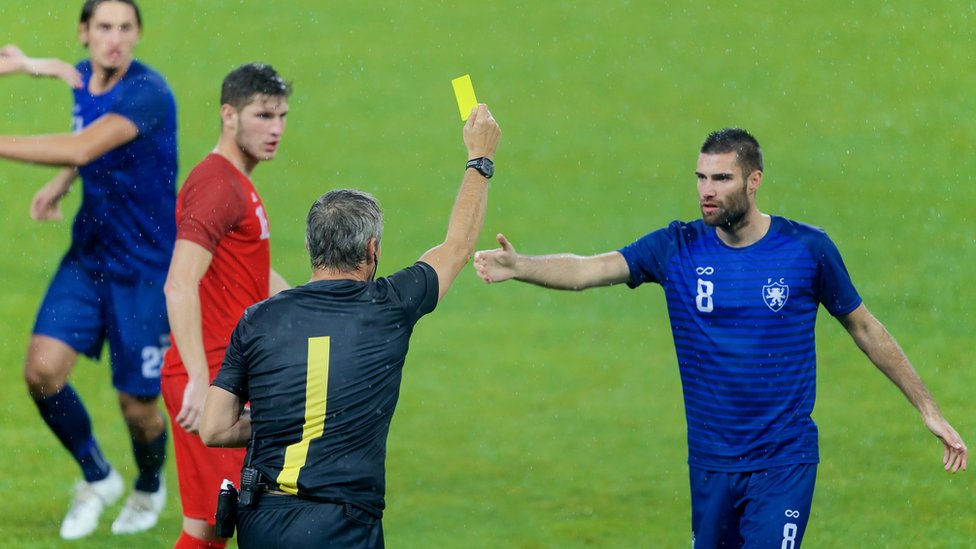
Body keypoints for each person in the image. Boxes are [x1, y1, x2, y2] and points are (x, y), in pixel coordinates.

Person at [472, 128, 968, 548]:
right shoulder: (676, 247)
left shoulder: (805, 250)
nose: (707, 190)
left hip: (783, 461)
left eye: (721, 179)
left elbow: (865, 328)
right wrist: (521, 267)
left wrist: (928, 409)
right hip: (710, 464)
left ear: (754, 182)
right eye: (701, 178)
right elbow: (590, 269)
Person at [198, 104, 501, 548]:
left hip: (262, 524)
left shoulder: (258, 319)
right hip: (341, 527)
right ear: (372, 249)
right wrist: (480, 159)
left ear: (310, 246)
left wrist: (291, 418)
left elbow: (214, 429)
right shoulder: (390, 306)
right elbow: (456, 248)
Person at [0, 0, 175, 540]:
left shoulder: (148, 94)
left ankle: (148, 486)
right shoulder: (85, 77)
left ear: (138, 35)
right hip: (90, 255)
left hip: (145, 268)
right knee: (41, 371)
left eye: (126, 28)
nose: (115, 39)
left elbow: (84, 142)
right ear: (85, 33)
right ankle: (98, 477)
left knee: (138, 406)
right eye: (104, 28)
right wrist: (31, 65)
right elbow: (75, 90)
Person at [161, 63, 292, 549]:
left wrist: (321, 306)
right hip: (213, 381)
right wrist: (198, 376)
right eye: (262, 115)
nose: (275, 129)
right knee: (229, 523)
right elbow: (179, 283)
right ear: (228, 115)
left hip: (228, 376)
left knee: (216, 525)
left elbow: (255, 276)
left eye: (281, 116)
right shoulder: (217, 183)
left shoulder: (237, 181)